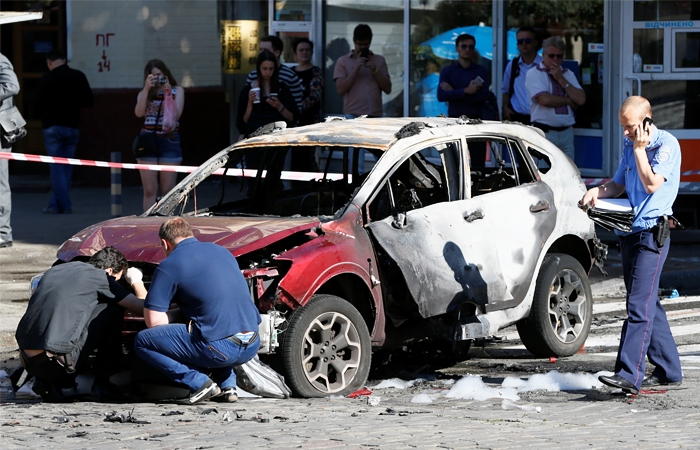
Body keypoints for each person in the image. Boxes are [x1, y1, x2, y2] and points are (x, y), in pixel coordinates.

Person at [582, 96, 682, 395]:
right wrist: (597, 192)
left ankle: (629, 374)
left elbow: (652, 184)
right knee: (648, 301)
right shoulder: (630, 145)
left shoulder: (667, 146)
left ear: (647, 120)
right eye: (623, 127)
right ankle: (669, 370)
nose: (626, 133)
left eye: (630, 127)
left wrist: (640, 150)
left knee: (638, 306)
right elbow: (618, 184)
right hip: (629, 229)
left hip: (653, 233)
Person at [134, 218, 262, 405]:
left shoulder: (170, 265)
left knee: (143, 341)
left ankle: (200, 383)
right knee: (209, 322)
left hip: (220, 349)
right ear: (190, 234)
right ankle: (228, 386)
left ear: (164, 243)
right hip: (251, 343)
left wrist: (137, 284)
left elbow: (153, 322)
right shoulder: (223, 252)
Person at [15, 246, 146, 402]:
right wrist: (136, 280)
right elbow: (144, 308)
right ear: (110, 271)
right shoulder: (101, 277)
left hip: (27, 362)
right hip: (55, 364)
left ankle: (47, 381)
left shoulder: (54, 271)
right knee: (113, 309)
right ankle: (102, 384)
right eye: (117, 280)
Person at [33, 49, 93, 215]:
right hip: (72, 127)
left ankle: (63, 205)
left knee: (57, 169)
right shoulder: (78, 76)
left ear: (49, 62)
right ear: (65, 60)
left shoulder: (46, 78)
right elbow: (89, 101)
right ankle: (56, 203)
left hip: (52, 128)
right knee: (66, 168)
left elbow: (35, 106)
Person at [134, 59, 185, 211]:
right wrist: (147, 89)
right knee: (149, 190)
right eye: (153, 76)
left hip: (169, 140)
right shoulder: (145, 92)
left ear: (166, 74)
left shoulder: (178, 90)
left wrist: (168, 94)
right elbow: (138, 113)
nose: (157, 79)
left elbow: (176, 116)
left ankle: (167, 226)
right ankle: (149, 226)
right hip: (147, 141)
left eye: (159, 75)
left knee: (168, 190)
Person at [526, 36, 585, 161]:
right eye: (551, 56)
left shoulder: (567, 74)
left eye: (559, 56)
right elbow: (544, 100)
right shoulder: (534, 73)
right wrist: (569, 100)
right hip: (544, 132)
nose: (555, 60)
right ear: (543, 55)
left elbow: (581, 99)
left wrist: (561, 79)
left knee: (568, 175)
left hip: (566, 132)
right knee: (544, 175)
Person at [237, 49, 299, 139]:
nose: (268, 72)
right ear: (259, 68)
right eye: (264, 68)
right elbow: (243, 122)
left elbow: (292, 117)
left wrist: (279, 106)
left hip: (277, 138)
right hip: (255, 139)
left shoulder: (282, 89)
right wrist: (250, 104)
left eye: (271, 69)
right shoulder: (249, 90)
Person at [334, 24, 392, 118]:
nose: (363, 48)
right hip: (353, 115)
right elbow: (340, 90)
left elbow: (388, 89)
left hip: (374, 114)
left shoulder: (379, 60)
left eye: (366, 44)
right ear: (354, 41)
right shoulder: (343, 61)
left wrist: (375, 71)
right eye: (360, 44)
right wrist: (356, 69)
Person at [437, 33, 490, 120]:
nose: (467, 49)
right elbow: (441, 96)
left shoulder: (481, 71)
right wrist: (466, 91)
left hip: (476, 119)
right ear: (457, 48)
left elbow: (482, 97)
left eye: (471, 47)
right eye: (464, 46)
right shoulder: (448, 71)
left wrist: (453, 92)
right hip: (454, 119)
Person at [246, 35, 304, 112]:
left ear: (277, 53)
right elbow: (246, 103)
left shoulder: (290, 76)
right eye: (260, 50)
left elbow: (297, 106)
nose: (262, 53)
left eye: (265, 50)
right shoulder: (253, 75)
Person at [501, 27, 542, 124]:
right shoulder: (512, 65)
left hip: (540, 120)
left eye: (528, 40)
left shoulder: (544, 65)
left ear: (535, 43)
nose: (524, 44)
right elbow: (505, 91)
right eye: (520, 41)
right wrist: (505, 108)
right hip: (517, 118)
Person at [0, 52, 19, 248]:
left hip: (0, 133)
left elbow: (13, 86)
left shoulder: (0, 59)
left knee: (0, 182)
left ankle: (3, 233)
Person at [294, 37, 324, 127]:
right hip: (292, 120)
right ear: (295, 53)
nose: (304, 52)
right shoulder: (291, 72)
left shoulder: (316, 72)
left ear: (312, 52)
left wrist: (296, 108)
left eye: (307, 50)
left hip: (310, 120)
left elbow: (314, 96)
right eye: (301, 50)